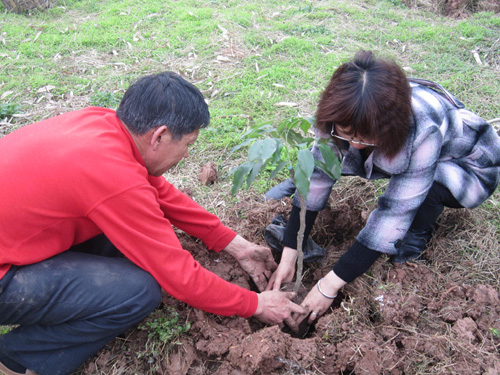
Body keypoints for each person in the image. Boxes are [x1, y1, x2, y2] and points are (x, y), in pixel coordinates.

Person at [0, 72, 305, 375]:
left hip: (13, 238)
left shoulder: (102, 123)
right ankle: (16, 358)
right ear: (158, 136)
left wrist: (235, 245)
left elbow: (158, 192)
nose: (186, 155)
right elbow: (181, 278)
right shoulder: (113, 178)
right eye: (187, 144)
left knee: (120, 238)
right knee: (138, 293)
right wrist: (257, 305)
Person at [264, 50, 500, 326]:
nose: (353, 144)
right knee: (326, 162)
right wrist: (290, 252)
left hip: (467, 165)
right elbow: (321, 171)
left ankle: (419, 231)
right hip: (397, 146)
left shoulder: (422, 129)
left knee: (422, 194)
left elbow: (392, 215)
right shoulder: (342, 111)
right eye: (346, 133)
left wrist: (329, 285)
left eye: (363, 137)